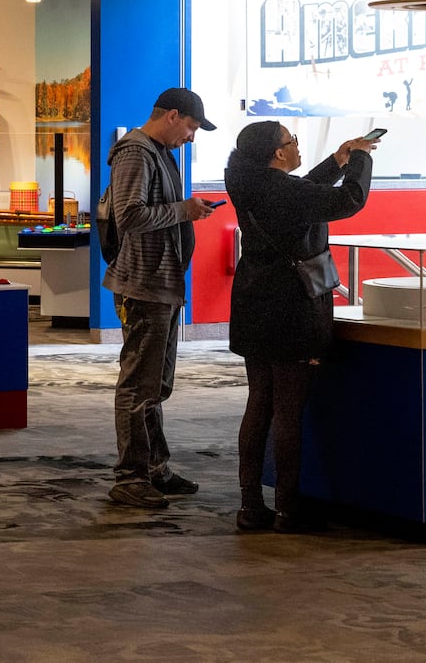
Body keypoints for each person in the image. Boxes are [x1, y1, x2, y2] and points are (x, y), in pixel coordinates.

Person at [223, 121, 375, 533]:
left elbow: (299, 193)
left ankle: (251, 506)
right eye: (291, 142)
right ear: (277, 154)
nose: (296, 145)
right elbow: (349, 200)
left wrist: (336, 161)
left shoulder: (249, 183)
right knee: (289, 411)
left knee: (259, 403)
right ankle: (289, 509)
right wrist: (361, 159)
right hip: (293, 306)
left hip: (255, 303)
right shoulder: (282, 191)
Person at [103, 87, 220, 509]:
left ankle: (154, 468)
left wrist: (186, 210)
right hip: (145, 285)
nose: (191, 137)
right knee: (139, 384)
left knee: (156, 383)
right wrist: (184, 211)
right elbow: (129, 215)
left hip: (162, 285)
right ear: (172, 116)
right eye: (190, 126)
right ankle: (130, 476)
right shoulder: (136, 152)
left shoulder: (158, 152)